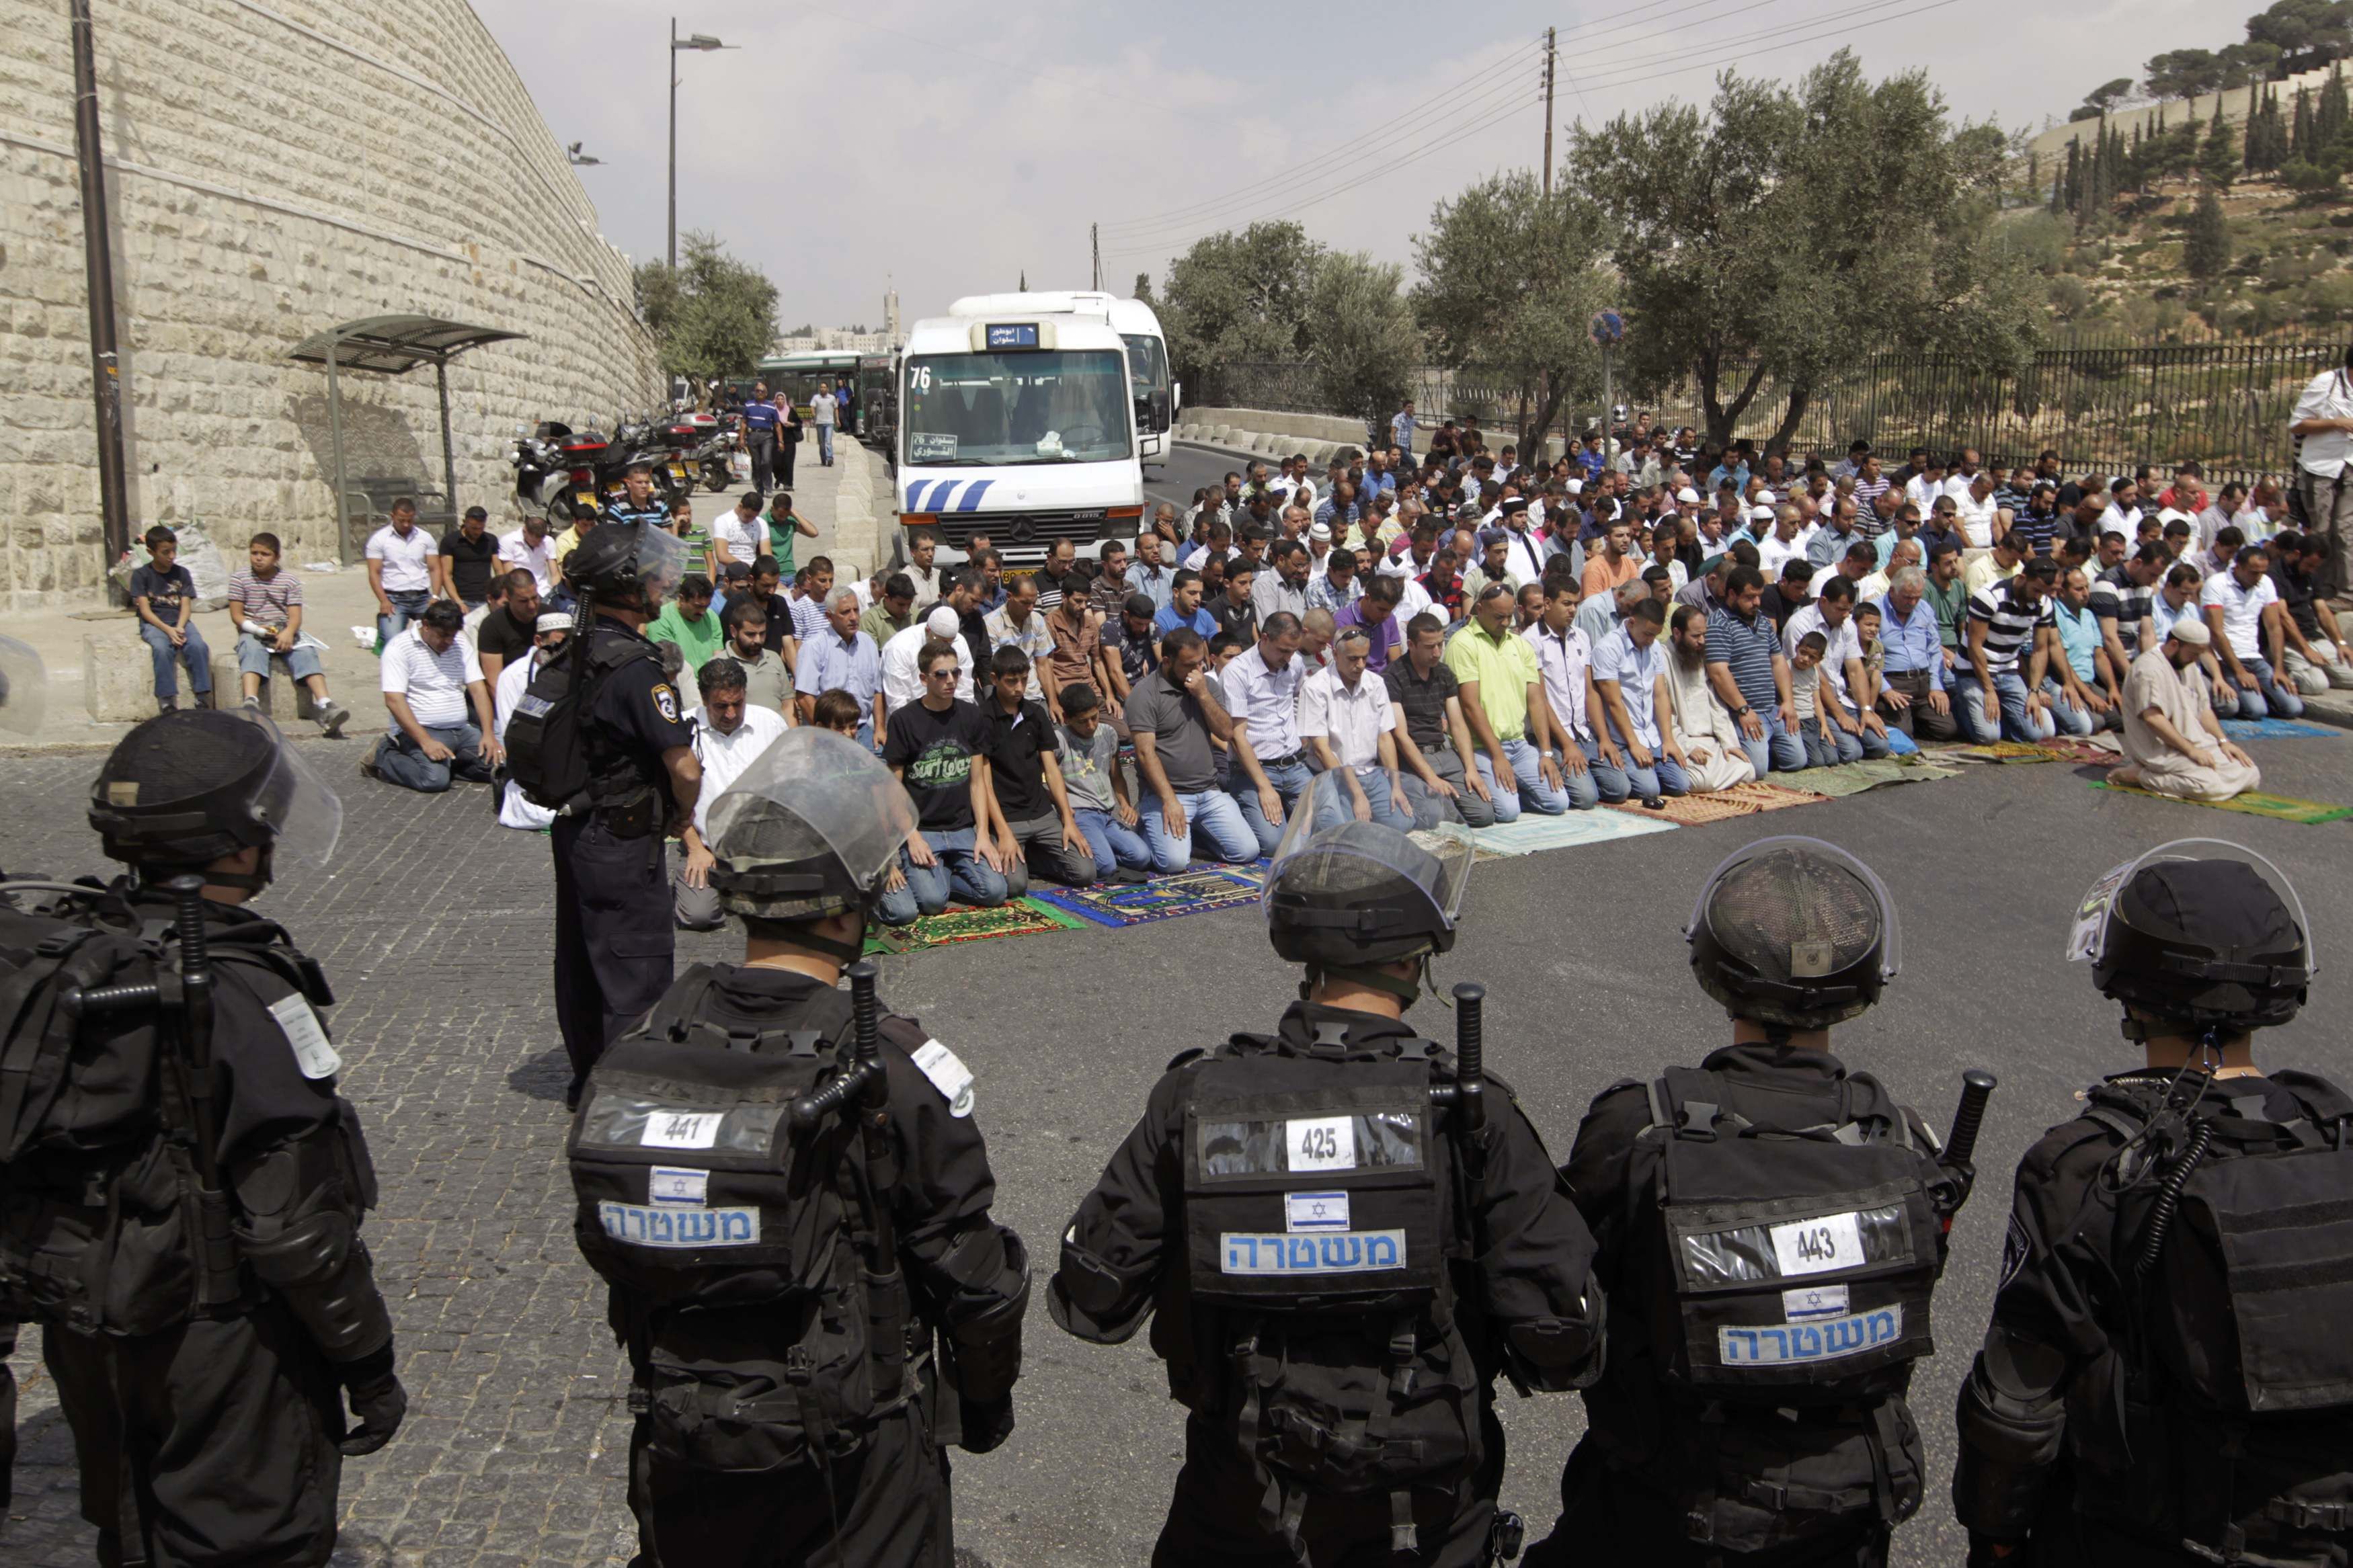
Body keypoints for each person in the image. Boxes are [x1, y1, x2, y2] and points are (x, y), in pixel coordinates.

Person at [1053, 796, 1604, 1568]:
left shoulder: (1198, 1095)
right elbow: (1562, 1340)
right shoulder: (1469, 1112)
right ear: (1414, 958)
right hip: (1424, 1515)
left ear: (1304, 955)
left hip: (1238, 1499)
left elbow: (1090, 1295)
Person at [575, 729, 1029, 1567]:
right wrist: (985, 1400)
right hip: (853, 1452)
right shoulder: (887, 1062)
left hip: (681, 1429)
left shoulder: (645, 1040)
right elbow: (972, 1269)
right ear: (843, 908)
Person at [11, 710, 404, 1565]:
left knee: (131, 1527)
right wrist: (367, 1359)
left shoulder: (81, 955)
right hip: (221, 1341)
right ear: (229, 844)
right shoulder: (235, 988)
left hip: (92, 1324)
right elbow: (296, 1220)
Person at [1527, 838, 1964, 1568]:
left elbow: (1567, 1280)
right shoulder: (1901, 1136)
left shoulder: (1636, 1122)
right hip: (1843, 1502)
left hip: (1663, 1495)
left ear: (1713, 968)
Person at [1954, 843, 2348, 1568]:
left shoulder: (2082, 1162)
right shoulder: (2333, 1128)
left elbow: (2015, 1401)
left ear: (2130, 992)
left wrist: (1994, 1534)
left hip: (2147, 1534)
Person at [524, 525, 702, 1108]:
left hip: (577, 829)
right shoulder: (635, 667)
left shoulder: (578, 646)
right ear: (626, 588)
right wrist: (683, 817)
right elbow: (685, 768)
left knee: (581, 958)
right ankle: (631, 1097)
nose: (662, 583)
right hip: (624, 838)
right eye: (651, 575)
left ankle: (589, 1079)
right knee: (636, 965)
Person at [876, 641, 1016, 923]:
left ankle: (946, 874)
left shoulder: (971, 714)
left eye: (956, 673)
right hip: (923, 828)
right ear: (923, 679)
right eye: (941, 674)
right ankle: (939, 877)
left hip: (963, 827)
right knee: (931, 902)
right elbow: (893, 788)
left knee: (996, 892)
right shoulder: (903, 720)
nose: (951, 680)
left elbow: (977, 783)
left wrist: (982, 834)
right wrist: (911, 836)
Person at [667, 654, 789, 931]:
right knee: (698, 916)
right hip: (707, 847)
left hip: (763, 847)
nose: (731, 714)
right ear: (703, 698)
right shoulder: (684, 730)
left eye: (738, 704)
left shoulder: (770, 724)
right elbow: (673, 802)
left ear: (746, 693)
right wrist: (696, 848)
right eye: (721, 707)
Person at [1124, 626, 1259, 872]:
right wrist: (1169, 800)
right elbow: (1145, 753)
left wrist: (1203, 695)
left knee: (1247, 851)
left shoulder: (1205, 686)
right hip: (1168, 794)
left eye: (1200, 663)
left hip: (1208, 790)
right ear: (1167, 661)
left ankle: (1192, 833)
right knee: (1173, 863)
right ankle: (1147, 823)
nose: (1198, 670)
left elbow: (1227, 732)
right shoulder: (1144, 694)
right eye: (1189, 665)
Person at [1451, 581, 1573, 819]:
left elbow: (1536, 701)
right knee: (1507, 812)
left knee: (1559, 803)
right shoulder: (1462, 643)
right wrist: (1497, 756)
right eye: (1499, 617)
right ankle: (1509, 796)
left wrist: (1546, 753)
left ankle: (1513, 793)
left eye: (1509, 616)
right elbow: (1470, 705)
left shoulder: (1520, 644)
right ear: (1479, 609)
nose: (1506, 623)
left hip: (1518, 745)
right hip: (1483, 747)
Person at [980, 647, 1096, 892]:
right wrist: (1002, 831)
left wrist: (1067, 819)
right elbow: (984, 783)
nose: (1019, 688)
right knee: (1015, 886)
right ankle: (1024, 855)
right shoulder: (984, 718)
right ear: (994, 679)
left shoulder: (1035, 713)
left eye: (1024, 680)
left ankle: (1033, 855)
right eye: (1011, 682)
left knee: (1085, 873)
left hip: (1041, 812)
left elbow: (1052, 771)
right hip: (1008, 816)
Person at [2110, 618, 2262, 801]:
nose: (2196, 660)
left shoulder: (2187, 665)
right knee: (2208, 787)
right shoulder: (2148, 668)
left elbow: (2203, 710)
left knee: (2250, 773)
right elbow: (2153, 718)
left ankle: (2193, 774)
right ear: (2175, 644)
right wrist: (2190, 751)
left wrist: (2223, 742)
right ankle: (2138, 776)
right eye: (2193, 654)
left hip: (2196, 743)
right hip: (2162, 750)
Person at [368, 598, 500, 792]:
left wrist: (489, 734)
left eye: (452, 636)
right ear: (427, 626)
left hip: (462, 730)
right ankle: (383, 755)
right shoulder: (399, 648)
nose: (448, 642)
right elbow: (394, 700)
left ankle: (450, 763)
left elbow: (478, 689)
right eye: (443, 635)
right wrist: (425, 741)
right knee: (434, 781)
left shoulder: (461, 644)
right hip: (422, 730)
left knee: (500, 768)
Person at [226, 531, 350, 735]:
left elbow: (295, 616)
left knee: (306, 653)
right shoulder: (240, 579)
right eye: (254, 553)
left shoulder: (289, 581)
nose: (258, 558)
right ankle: (251, 702)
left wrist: (289, 632)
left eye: (264, 554)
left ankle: (326, 705)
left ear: (276, 557)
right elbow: (237, 615)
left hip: (283, 629)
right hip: (254, 629)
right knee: (251, 649)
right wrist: (257, 630)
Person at [1300, 624, 1417, 830]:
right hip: (1334, 776)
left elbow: (1385, 737)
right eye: (1353, 659)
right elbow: (1321, 748)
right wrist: (1357, 794)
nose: (1361, 665)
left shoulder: (1376, 683)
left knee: (1404, 824)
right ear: (1335, 655)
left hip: (1371, 772)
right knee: (1345, 830)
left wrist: (1395, 786)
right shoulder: (1315, 687)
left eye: (1365, 657)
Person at [1386, 613, 1496, 829]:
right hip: (1413, 758)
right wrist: (1431, 778)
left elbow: (1457, 724)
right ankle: (1440, 804)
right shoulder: (1393, 677)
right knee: (1432, 817)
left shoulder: (1444, 673)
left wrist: (1471, 769)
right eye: (1429, 647)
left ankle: (1447, 803)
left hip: (1444, 753)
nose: (1437, 652)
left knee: (1484, 815)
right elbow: (1400, 735)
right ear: (1411, 645)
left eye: (1440, 645)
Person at [1222, 612, 1312, 854]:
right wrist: (1264, 787)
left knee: (1330, 826)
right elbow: (1237, 736)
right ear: (1264, 638)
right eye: (1283, 651)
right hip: (1254, 770)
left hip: (1294, 765)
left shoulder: (1295, 663)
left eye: (1293, 651)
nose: (1288, 658)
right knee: (1273, 843)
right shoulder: (1237, 672)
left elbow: (1300, 698)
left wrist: (1301, 735)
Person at [1706, 565, 1807, 776]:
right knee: (1758, 770)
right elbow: (1718, 672)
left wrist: (1788, 702)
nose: (1757, 603)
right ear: (1732, 594)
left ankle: (1765, 749)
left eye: (1759, 596)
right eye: (1750, 597)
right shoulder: (1718, 624)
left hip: (1772, 708)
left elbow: (1778, 662)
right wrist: (1743, 710)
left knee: (1798, 760)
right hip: (1743, 711)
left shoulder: (1761, 620)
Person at [1591, 599, 1689, 804]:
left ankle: (1647, 768)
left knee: (1680, 785)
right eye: (1647, 634)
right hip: (1625, 738)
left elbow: (1660, 694)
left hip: (1651, 734)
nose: (1651, 640)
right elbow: (1613, 702)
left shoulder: (1653, 647)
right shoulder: (1608, 648)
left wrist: (1668, 739)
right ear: (1632, 622)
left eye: (1655, 635)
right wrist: (1634, 744)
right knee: (1649, 789)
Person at [1054, 682, 1153, 882]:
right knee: (1106, 865)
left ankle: (1100, 854)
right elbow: (1048, 779)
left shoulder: (1108, 733)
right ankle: (1090, 858)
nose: (1091, 726)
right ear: (1067, 719)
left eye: (1094, 718)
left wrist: (1125, 804)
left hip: (1105, 815)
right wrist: (1065, 813)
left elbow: (1116, 775)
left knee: (1142, 857)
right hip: (1080, 814)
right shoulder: (1059, 739)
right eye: (1082, 722)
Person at [1960, 559, 2062, 744]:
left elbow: (2040, 650)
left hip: (2008, 671)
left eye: (2044, 593)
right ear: (2023, 578)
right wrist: (1989, 690)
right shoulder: (1989, 597)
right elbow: (1975, 646)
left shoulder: (2044, 603)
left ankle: (2001, 715)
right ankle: (1961, 704)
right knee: (1988, 736)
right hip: (1973, 670)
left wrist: (2033, 691)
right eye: (2037, 590)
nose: (2039, 597)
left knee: (2041, 732)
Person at [2201, 542, 2305, 720]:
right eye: (2254, 572)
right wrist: (2240, 671)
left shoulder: (2265, 583)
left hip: (2254, 657)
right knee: (2256, 712)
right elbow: (2217, 633)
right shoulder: (2217, 584)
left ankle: (2261, 695)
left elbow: (2274, 627)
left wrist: (2279, 668)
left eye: (2262, 572)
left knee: (2293, 708)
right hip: (2227, 658)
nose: (2259, 577)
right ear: (2239, 567)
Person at [1663, 604, 1758, 793]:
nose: (1702, 641)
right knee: (1699, 781)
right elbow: (1665, 715)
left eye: (1704, 635)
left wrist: (1729, 743)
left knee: (1748, 770)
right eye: (1696, 636)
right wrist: (1688, 747)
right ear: (1677, 633)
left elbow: (1715, 703)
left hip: (1710, 741)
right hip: (1683, 741)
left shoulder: (1697, 655)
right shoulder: (1662, 658)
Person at [492, 612, 570, 831]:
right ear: (539, 642)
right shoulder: (513, 676)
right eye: (556, 646)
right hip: (533, 770)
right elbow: (514, 737)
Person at [2286, 343, 2353, 597]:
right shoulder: (2327, 383)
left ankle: (2346, 591)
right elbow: (2297, 425)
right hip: (2321, 467)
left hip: (2350, 465)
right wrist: (2336, 423)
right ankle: (2319, 589)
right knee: (2322, 531)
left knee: (2346, 530)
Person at [131, 525, 214, 714]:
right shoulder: (141, 575)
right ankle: (167, 700)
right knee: (161, 649)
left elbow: (186, 606)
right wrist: (168, 630)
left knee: (198, 647)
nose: (171, 556)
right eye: (165, 552)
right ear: (151, 552)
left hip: (180, 621)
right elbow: (145, 611)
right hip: (154, 623)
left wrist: (180, 627)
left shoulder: (182, 573)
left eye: (174, 550)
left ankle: (202, 696)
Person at [794, 587, 885, 745]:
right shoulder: (814, 647)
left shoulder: (868, 643)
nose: (854, 617)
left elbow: (877, 691)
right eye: (845, 612)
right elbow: (804, 696)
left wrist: (880, 728)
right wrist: (828, 734)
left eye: (856, 610)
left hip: (862, 730)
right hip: (828, 733)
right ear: (829, 616)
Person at [365, 497, 436, 643]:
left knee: (436, 634)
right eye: (401, 520)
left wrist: (435, 596)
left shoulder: (425, 538)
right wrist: (383, 600)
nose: (406, 524)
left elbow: (434, 568)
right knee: (392, 640)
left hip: (422, 596)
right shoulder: (379, 539)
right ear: (392, 517)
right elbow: (374, 573)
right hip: (395, 598)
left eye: (410, 520)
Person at [717, 596, 794, 716]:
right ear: (733, 632)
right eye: (750, 634)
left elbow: (788, 704)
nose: (758, 640)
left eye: (762, 633)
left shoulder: (774, 658)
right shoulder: (719, 665)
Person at [647, 572, 727, 673]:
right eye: (698, 606)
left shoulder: (712, 618)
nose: (703, 612)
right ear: (682, 599)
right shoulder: (661, 619)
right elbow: (670, 664)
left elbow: (717, 657)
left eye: (707, 606)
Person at [436, 504, 500, 610]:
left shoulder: (491, 540)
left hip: (487, 599)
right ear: (465, 522)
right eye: (474, 528)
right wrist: (458, 602)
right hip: (463, 599)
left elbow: (499, 571)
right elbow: (446, 575)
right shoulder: (450, 541)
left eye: (481, 528)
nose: (477, 532)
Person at [495, 511, 558, 601]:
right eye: (533, 541)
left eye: (540, 541)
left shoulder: (548, 541)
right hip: (521, 592)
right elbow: (510, 573)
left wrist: (555, 594)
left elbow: (555, 574)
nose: (537, 544)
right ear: (525, 531)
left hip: (544, 592)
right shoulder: (508, 541)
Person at [738, 380, 779, 492]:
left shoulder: (771, 406)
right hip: (752, 436)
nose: (759, 393)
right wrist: (741, 438)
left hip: (767, 436)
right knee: (756, 463)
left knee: (766, 461)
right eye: (757, 391)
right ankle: (759, 487)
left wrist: (781, 441)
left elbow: (777, 424)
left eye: (762, 391)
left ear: (766, 393)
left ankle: (768, 487)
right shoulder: (748, 405)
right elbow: (743, 423)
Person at [862, 571, 918, 646]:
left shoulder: (916, 614)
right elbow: (871, 653)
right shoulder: (869, 619)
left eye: (909, 604)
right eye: (901, 605)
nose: (906, 610)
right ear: (887, 598)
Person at [811, 380, 838, 466]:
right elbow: (812, 407)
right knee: (822, 444)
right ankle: (823, 459)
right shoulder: (816, 397)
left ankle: (829, 458)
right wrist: (814, 415)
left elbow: (836, 408)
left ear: (827, 389)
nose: (822, 389)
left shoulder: (832, 398)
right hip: (819, 423)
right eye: (821, 387)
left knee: (828, 442)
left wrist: (837, 420)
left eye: (824, 387)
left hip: (830, 422)